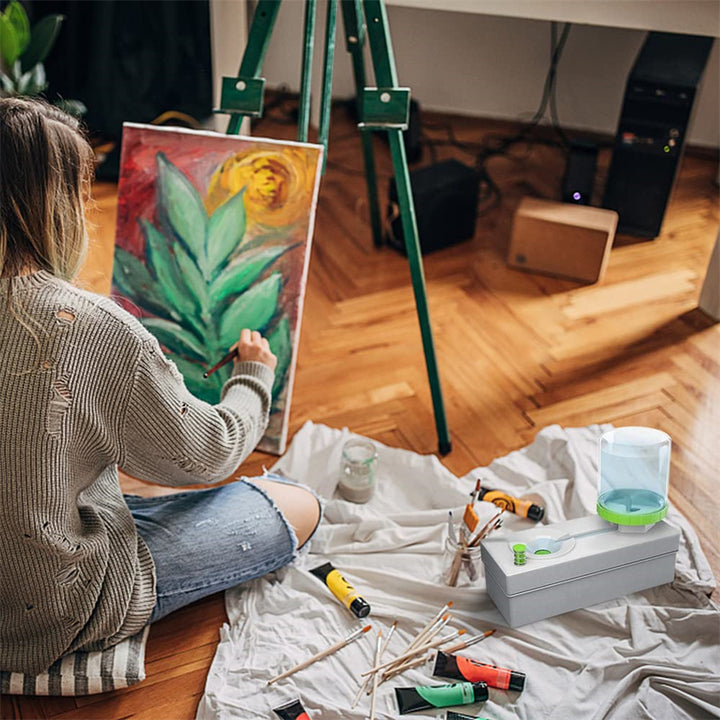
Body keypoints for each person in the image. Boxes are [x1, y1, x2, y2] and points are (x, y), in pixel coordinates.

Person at [0, 97, 321, 676]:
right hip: (46, 606)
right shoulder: (91, 328)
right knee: (301, 503)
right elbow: (210, 453)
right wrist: (253, 376)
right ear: (56, 208)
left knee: (125, 485)